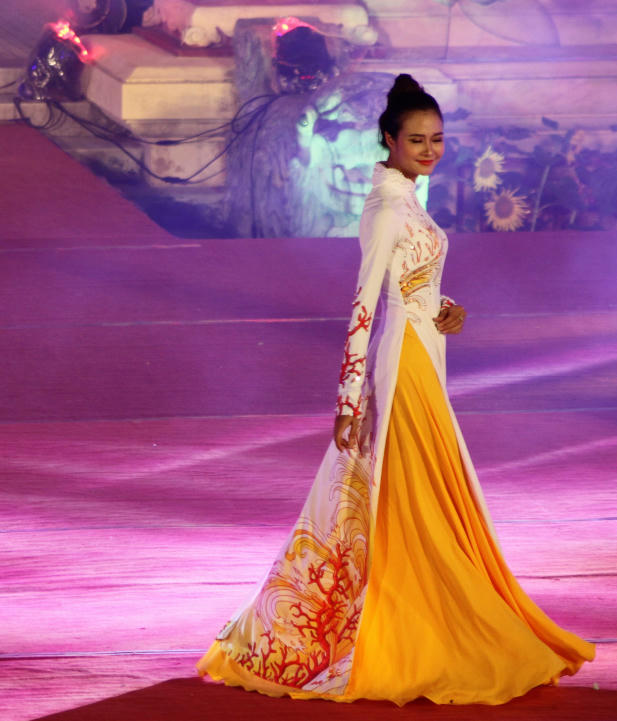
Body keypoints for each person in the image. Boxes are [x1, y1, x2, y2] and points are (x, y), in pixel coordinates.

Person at [197, 73, 595, 706]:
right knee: (411, 490)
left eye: (437, 139)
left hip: (424, 350)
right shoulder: (385, 208)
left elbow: (412, 283)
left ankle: (426, 606)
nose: (430, 149)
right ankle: (414, 618)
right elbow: (365, 304)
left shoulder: (408, 196)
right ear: (389, 139)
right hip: (402, 360)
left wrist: (445, 307)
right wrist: (348, 402)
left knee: (421, 487)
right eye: (417, 140)